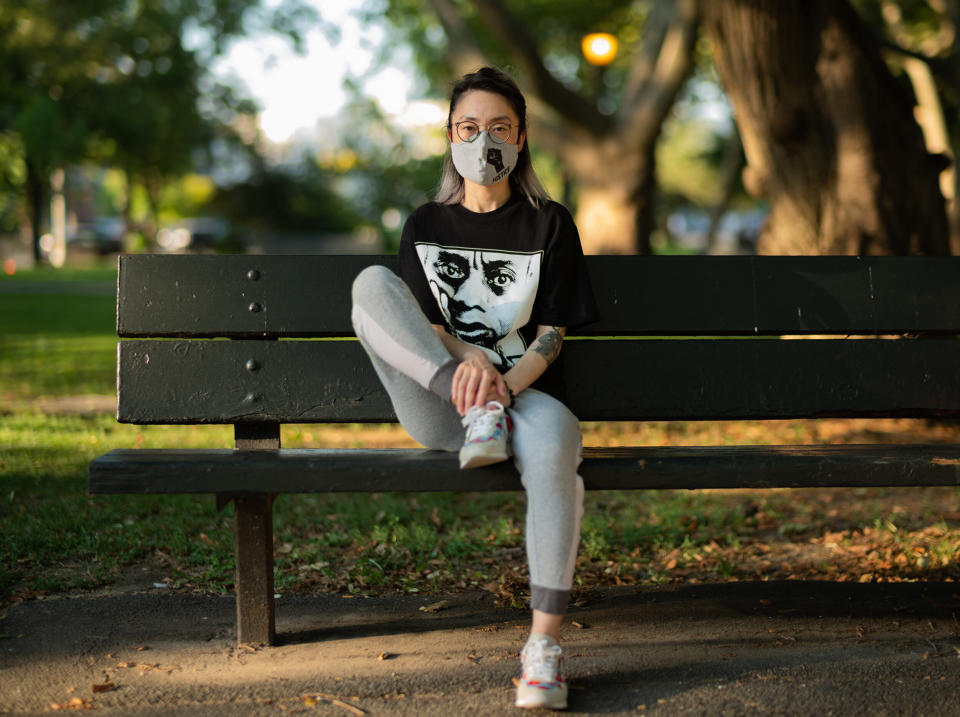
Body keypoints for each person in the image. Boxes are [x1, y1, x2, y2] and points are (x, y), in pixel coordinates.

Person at [350, 66, 598, 711]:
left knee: (553, 460)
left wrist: (502, 387)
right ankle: (475, 406)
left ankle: (543, 649)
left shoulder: (549, 223)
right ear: (449, 136)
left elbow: (551, 335)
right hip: (445, 405)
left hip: (528, 396)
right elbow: (427, 329)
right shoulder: (426, 224)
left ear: (520, 139)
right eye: (468, 127)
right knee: (371, 287)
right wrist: (469, 380)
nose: (482, 140)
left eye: (498, 128)